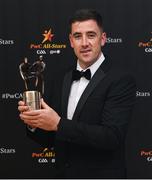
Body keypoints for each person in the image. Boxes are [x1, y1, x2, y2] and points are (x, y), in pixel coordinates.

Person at [18, 9, 136, 178]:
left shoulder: (121, 79)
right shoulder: (61, 77)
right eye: (78, 36)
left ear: (103, 39)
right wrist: (34, 122)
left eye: (91, 35)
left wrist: (58, 124)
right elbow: (50, 139)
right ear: (71, 41)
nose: (84, 43)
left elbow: (112, 137)